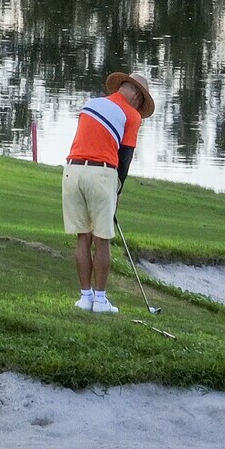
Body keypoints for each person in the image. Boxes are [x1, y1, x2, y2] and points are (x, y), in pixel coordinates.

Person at [62, 72, 155, 312]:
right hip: (101, 174)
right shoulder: (132, 115)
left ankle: (85, 298)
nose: (139, 106)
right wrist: (118, 191)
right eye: (141, 101)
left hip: (72, 171)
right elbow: (125, 158)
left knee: (83, 236)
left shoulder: (91, 104)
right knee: (102, 239)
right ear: (135, 94)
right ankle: (101, 300)